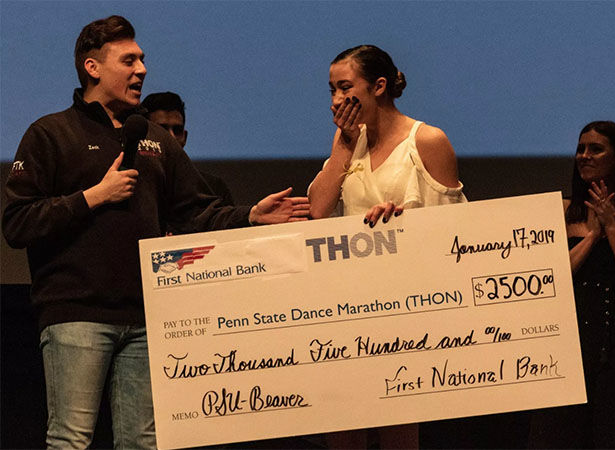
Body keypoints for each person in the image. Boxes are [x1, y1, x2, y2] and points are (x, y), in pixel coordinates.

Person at [2, 15, 308, 449]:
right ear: (93, 68)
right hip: (77, 315)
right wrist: (94, 196)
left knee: (142, 444)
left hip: (148, 318)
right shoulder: (50, 133)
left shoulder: (153, 139)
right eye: (129, 60)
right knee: (70, 440)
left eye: (142, 60)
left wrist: (251, 217)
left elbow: (194, 215)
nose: (141, 70)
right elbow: (17, 223)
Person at [308, 45, 467, 449]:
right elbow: (317, 209)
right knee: (342, 426)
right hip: (350, 301)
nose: (337, 101)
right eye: (331, 90)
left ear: (379, 86)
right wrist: (343, 145)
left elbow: (455, 234)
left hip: (407, 307)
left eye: (345, 88)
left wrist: (404, 222)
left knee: (398, 429)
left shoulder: (427, 140)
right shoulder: (349, 139)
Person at [529, 121, 615, 448]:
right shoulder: (563, 210)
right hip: (563, 353)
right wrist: (592, 236)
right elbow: (548, 280)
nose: (584, 155)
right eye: (581, 149)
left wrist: (609, 226)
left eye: (595, 149)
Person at [141, 91, 235, 207]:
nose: (171, 137)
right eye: (162, 130)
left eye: (177, 130)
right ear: (144, 135)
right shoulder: (133, 185)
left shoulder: (213, 188)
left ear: (185, 137)